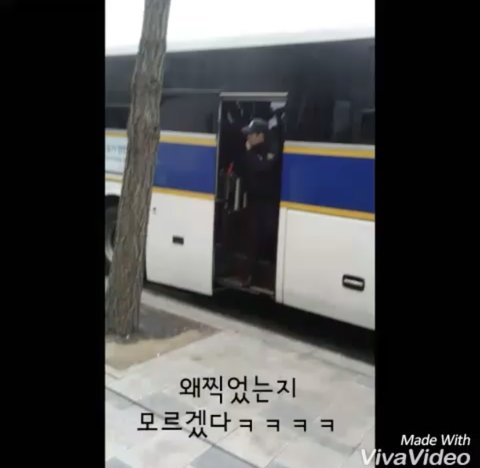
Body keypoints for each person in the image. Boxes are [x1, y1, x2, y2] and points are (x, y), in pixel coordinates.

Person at [235, 118, 280, 286]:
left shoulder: (271, 148)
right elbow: (242, 168)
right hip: (254, 201)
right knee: (252, 238)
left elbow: (263, 167)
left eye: (251, 134)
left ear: (261, 135)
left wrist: (249, 154)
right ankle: (248, 275)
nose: (248, 138)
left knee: (269, 235)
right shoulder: (251, 151)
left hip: (269, 202)